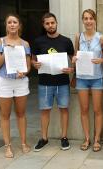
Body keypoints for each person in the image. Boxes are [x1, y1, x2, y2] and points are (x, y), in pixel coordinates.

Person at [31, 12, 74, 151]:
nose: (50, 25)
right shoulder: (38, 41)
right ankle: (44, 138)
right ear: (44, 25)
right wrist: (34, 64)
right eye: (47, 23)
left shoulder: (66, 41)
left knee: (64, 109)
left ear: (56, 23)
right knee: (45, 111)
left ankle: (64, 137)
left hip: (62, 82)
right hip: (45, 82)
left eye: (52, 23)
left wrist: (71, 69)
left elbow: (74, 59)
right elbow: (32, 59)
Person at [0, 13, 31, 158]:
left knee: (21, 113)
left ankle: (23, 142)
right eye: (9, 22)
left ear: (19, 25)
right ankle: (7, 146)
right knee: (5, 115)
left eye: (15, 22)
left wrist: (24, 72)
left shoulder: (25, 43)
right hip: (4, 81)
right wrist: (6, 52)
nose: (12, 24)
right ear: (6, 25)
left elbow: (28, 67)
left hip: (20, 82)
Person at [72, 9, 103, 152]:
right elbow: (75, 55)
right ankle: (87, 138)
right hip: (82, 78)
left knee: (98, 110)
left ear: (95, 20)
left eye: (91, 18)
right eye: (85, 18)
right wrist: (73, 60)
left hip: (97, 78)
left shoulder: (102, 38)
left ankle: (97, 139)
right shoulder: (78, 36)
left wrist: (102, 60)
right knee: (84, 110)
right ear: (82, 21)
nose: (88, 21)